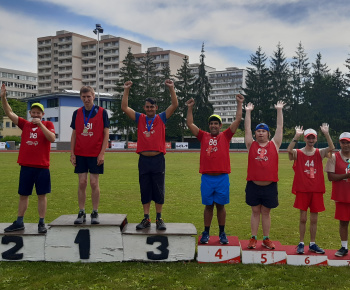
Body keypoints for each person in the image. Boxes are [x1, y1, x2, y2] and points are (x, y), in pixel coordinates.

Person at [186, 94, 244, 244]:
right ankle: (206, 232)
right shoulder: (203, 136)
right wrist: (190, 108)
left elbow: (237, 120)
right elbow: (190, 123)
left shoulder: (226, 136)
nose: (213, 125)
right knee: (208, 206)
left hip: (222, 177)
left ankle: (222, 233)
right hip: (207, 178)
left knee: (221, 206)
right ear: (209, 125)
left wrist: (239, 103)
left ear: (220, 126)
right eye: (211, 123)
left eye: (216, 123)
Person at [122, 80, 178, 230]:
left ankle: (159, 218)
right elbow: (124, 107)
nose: (149, 109)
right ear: (144, 108)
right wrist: (126, 89)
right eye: (147, 107)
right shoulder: (140, 118)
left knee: (159, 189)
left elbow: (174, 105)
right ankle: (146, 218)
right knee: (145, 189)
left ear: (156, 108)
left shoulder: (161, 118)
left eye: (152, 107)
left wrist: (171, 88)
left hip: (158, 159)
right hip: (144, 160)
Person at [1, 83, 55, 233]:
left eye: (39, 113)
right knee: (23, 195)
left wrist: (41, 126)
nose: (36, 115)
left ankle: (41, 222)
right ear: (30, 113)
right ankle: (19, 222)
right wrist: (3, 98)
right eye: (34, 112)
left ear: (42, 114)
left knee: (41, 195)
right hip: (26, 166)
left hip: (42, 167)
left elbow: (51, 138)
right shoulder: (24, 124)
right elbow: (9, 112)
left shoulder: (48, 124)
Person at [287, 124, 334, 254]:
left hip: (316, 190)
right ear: (305, 138)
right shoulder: (299, 152)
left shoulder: (320, 152)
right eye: (309, 138)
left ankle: (312, 243)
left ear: (316, 139)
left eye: (313, 138)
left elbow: (332, 147)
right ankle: (301, 242)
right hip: (303, 189)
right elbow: (289, 150)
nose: (311, 140)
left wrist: (326, 133)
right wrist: (296, 136)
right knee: (303, 218)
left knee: (314, 219)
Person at [244, 101, 285, 249]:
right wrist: (248, 112)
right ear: (255, 134)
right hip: (253, 185)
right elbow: (246, 128)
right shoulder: (251, 145)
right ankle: (253, 238)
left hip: (270, 186)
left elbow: (280, 127)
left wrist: (279, 110)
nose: (260, 133)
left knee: (266, 213)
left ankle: (266, 238)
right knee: (255, 212)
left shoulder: (275, 144)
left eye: (263, 131)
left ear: (268, 133)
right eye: (258, 131)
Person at [70, 86, 109, 224]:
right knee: (82, 182)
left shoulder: (103, 112)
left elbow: (106, 134)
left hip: (95, 154)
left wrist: (102, 153)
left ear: (93, 96)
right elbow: (74, 134)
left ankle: (95, 212)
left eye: (89, 96)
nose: (86, 99)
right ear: (80, 97)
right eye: (84, 97)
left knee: (93, 183)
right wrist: (72, 153)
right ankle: (81, 212)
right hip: (80, 153)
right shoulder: (77, 113)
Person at [325, 132, 350, 257]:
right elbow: (330, 177)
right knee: (343, 222)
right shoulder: (334, 157)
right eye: (343, 142)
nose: (345, 145)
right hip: (342, 195)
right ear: (339, 143)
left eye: (348, 142)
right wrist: (346, 175)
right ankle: (344, 247)